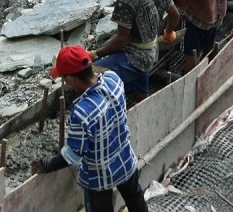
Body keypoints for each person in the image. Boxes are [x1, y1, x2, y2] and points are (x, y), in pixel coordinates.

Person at [32, 45, 148, 212]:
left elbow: (73, 155)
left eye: (64, 78)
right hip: (125, 162)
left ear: (72, 79)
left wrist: (47, 164)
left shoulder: (81, 112)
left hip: (99, 177)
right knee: (136, 200)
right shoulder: (113, 79)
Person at [90, 0, 179, 101]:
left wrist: (95, 54)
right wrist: (168, 32)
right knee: (140, 84)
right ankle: (143, 103)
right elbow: (174, 15)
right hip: (152, 50)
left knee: (92, 74)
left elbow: (121, 40)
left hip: (136, 57)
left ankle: (106, 109)